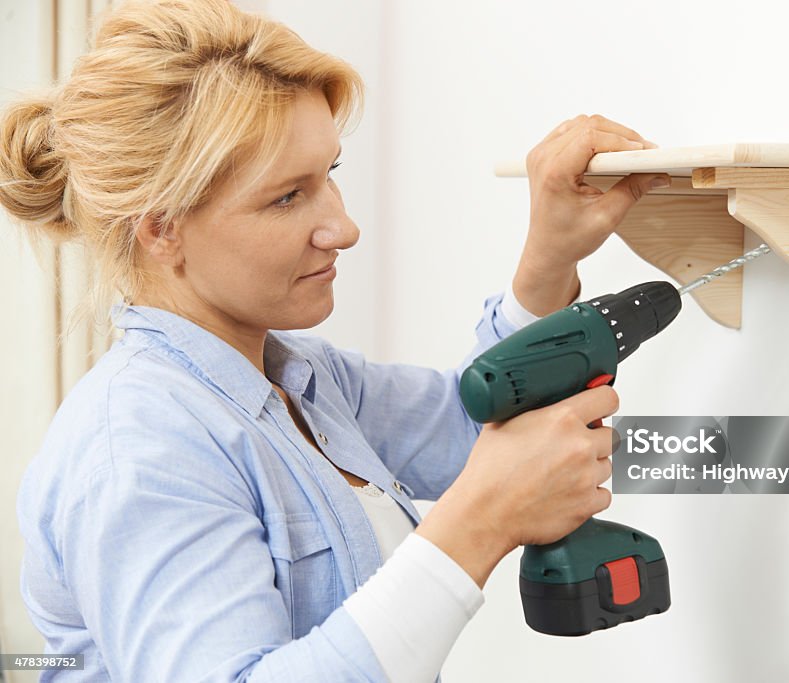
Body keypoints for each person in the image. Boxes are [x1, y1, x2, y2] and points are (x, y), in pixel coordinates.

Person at [0, 1, 671, 681]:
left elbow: (471, 432)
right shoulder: (140, 447)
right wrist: (481, 522)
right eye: (288, 196)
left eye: (332, 174)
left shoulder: (300, 377)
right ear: (162, 229)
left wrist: (547, 257)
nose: (343, 228)